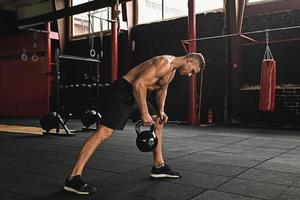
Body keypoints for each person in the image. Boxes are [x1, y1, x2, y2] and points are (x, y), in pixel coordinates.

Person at [64, 52, 205, 195]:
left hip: (137, 94)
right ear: (190, 60)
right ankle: (73, 178)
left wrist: (161, 110)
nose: (190, 75)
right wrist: (144, 113)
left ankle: (159, 166)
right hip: (123, 92)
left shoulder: (172, 72)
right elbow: (138, 84)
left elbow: (162, 89)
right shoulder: (164, 63)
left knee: (158, 121)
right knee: (104, 133)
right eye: (192, 71)